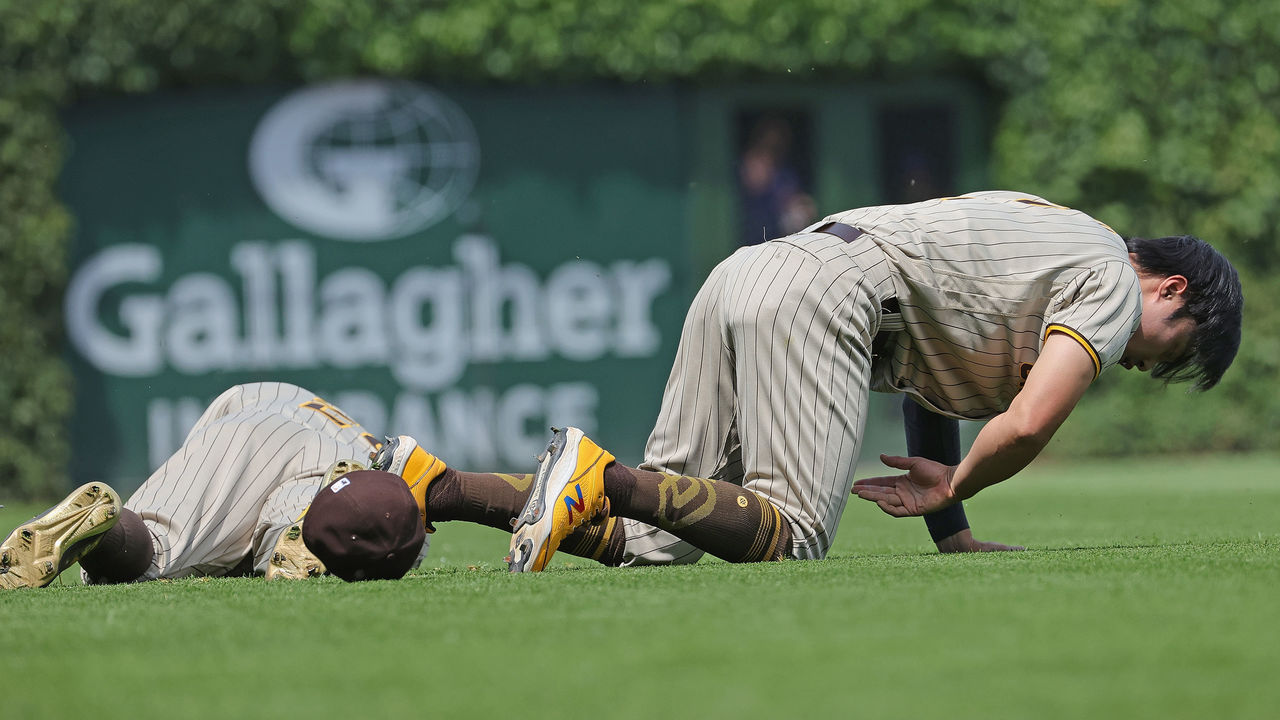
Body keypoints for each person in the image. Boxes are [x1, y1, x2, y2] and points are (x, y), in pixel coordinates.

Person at [306, 190, 1243, 578]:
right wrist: (959, 486)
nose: (1145, 360)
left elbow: (930, 382)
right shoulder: (1114, 286)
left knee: (650, 545)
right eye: (1171, 346)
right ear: (1168, 286)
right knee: (790, 535)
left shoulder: (1052, 231)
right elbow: (1032, 423)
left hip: (757, 271)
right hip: (830, 294)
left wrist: (950, 533)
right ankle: (601, 470)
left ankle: (437, 483)